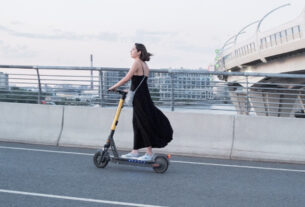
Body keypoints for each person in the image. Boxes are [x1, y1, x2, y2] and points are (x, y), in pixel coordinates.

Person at [108, 43, 173, 161]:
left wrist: (114, 86)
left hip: (139, 99)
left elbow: (127, 78)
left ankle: (148, 153)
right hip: (144, 96)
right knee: (137, 123)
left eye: (133, 49)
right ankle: (135, 151)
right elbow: (139, 85)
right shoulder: (145, 65)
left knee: (142, 124)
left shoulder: (137, 63)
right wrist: (127, 90)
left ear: (139, 52)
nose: (131, 51)